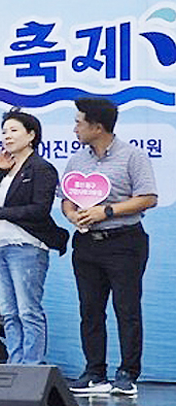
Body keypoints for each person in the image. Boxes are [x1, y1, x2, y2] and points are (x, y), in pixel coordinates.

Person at [63, 98, 157, 396]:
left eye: (79, 123)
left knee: (126, 309)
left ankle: (127, 373)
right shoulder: (77, 160)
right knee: (90, 310)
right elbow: (66, 199)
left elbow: (148, 197)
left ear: (97, 126)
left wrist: (106, 211)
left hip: (124, 242)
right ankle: (94, 372)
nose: (75, 129)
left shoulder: (132, 156)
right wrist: (72, 215)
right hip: (87, 243)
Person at [0, 108, 68, 365]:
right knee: (8, 312)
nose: (7, 136)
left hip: (27, 246)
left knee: (28, 310)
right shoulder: (5, 167)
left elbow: (39, 209)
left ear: (31, 135)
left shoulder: (41, 168)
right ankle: (15, 364)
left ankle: (31, 366)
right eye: (4, 132)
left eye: (14, 130)